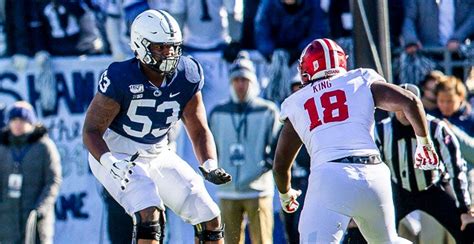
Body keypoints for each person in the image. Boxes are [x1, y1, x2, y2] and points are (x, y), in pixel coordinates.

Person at [82, 9, 231, 244]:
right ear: (140, 45)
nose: (168, 53)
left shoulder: (187, 73)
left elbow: (199, 127)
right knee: (149, 213)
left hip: (158, 152)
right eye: (160, 47)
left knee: (209, 215)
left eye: (172, 46)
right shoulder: (121, 76)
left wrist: (209, 163)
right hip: (118, 153)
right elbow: (90, 131)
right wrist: (109, 161)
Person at [272, 38, 439, 243]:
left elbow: (280, 165)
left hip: (331, 176)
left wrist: (285, 194)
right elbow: (410, 100)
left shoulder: (296, 101)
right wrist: (425, 144)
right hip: (374, 173)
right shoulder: (361, 78)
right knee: (387, 241)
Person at [345, 84, 474, 243]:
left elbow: (455, 168)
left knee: (468, 224)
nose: (405, 111)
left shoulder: (437, 129)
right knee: (361, 228)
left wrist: (465, 208)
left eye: (410, 105)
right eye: (400, 105)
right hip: (399, 190)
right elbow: (366, 172)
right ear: (392, 107)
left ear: (419, 105)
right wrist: (358, 210)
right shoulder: (380, 131)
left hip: (434, 186)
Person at [209, 52, 280, 244]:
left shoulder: (268, 111)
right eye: (236, 80)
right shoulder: (217, 113)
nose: (240, 85)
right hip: (228, 190)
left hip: (258, 189)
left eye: (245, 80)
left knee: (262, 240)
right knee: (229, 241)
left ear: (253, 82)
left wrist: (263, 166)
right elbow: (211, 147)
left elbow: (277, 148)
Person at [0, 101, 62, 243]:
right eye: (14, 120)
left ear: (31, 122)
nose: (17, 124)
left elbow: (53, 181)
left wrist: (40, 209)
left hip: (35, 221)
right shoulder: (3, 147)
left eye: (22, 120)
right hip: (6, 222)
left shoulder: (44, 147)